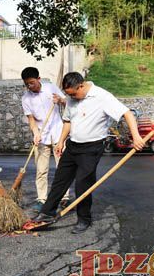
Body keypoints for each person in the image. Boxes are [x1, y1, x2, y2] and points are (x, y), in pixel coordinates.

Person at [33, 72, 146, 234]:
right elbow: (67, 121)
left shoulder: (102, 96)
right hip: (73, 146)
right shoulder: (72, 98)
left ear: (81, 86)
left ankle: (84, 219)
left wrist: (136, 136)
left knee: (83, 184)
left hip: (92, 148)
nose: (72, 97)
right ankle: (46, 213)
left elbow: (127, 113)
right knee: (60, 179)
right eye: (69, 95)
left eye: (73, 94)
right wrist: (61, 141)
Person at [20, 67, 70, 212]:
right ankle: (42, 199)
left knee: (62, 168)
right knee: (41, 170)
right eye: (27, 84)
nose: (30, 86)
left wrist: (60, 100)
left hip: (58, 134)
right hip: (41, 137)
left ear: (39, 79)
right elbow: (31, 119)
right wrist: (35, 133)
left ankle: (64, 197)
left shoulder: (50, 88)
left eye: (32, 83)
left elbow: (68, 102)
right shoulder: (26, 98)